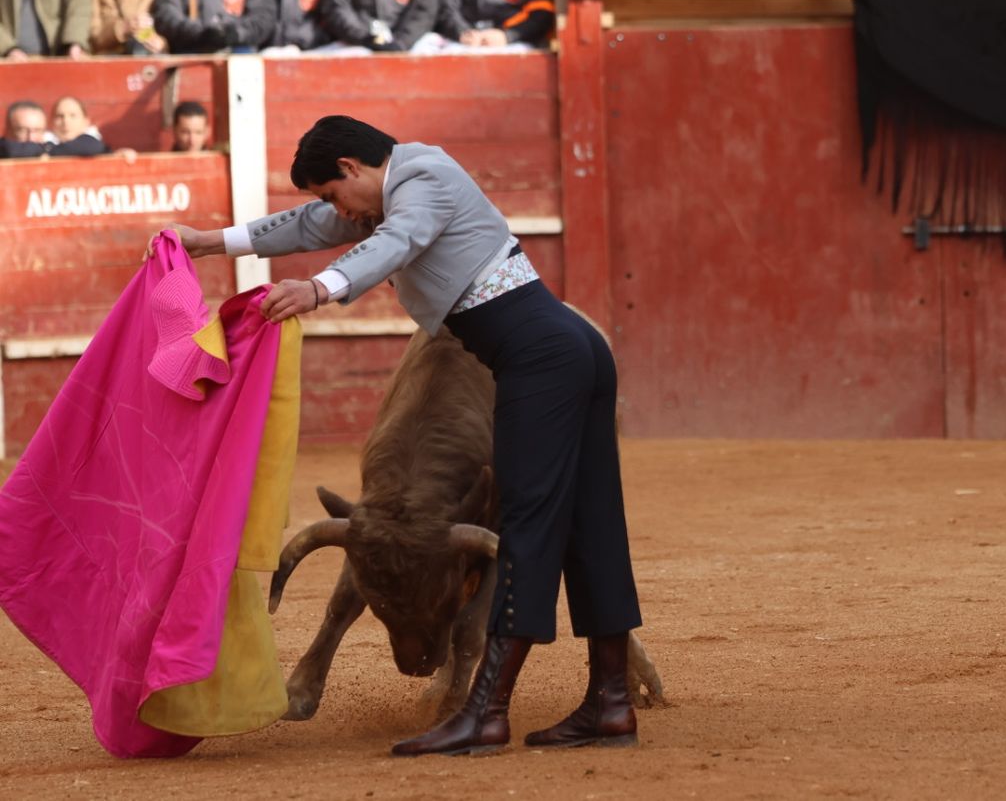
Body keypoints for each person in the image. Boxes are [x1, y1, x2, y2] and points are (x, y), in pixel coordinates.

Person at [156, 115, 645, 755]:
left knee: (526, 528)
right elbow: (312, 226)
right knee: (590, 525)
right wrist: (208, 242)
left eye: (332, 193)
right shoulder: (393, 187)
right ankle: (610, 704)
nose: (334, 210)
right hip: (566, 348)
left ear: (353, 169)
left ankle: (485, 712)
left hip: (539, 358)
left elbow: (398, 242)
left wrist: (319, 288)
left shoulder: (425, 177)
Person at [45, 94, 111, 155]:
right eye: (60, 116)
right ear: (52, 121)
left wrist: (50, 151)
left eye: (73, 115)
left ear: (86, 121)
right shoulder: (44, 142)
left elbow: (90, 147)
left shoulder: (94, 143)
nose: (66, 121)